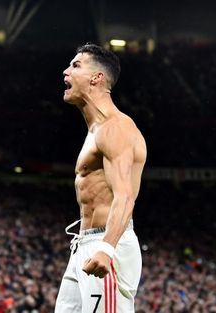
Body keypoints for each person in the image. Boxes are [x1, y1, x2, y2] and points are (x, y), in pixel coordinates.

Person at [55, 43, 146, 313]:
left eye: (76, 65)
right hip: (85, 245)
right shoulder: (95, 130)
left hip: (107, 244)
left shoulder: (116, 127)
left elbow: (125, 195)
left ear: (97, 78)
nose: (66, 71)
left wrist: (107, 248)